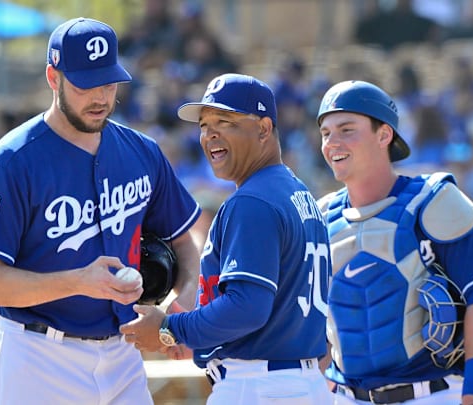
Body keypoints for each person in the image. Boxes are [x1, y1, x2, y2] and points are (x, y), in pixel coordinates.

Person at [0, 17, 201, 405]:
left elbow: (186, 245)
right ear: (54, 78)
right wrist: (79, 281)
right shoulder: (9, 163)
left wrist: (183, 304)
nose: (101, 97)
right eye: (86, 84)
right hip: (36, 357)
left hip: (123, 355)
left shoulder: (142, 152)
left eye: (109, 82)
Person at [120, 73, 333, 404]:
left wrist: (170, 328)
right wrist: (198, 335)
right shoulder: (297, 193)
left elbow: (248, 308)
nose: (210, 134)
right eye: (204, 125)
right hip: (299, 383)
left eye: (225, 121)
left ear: (264, 129)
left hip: (259, 387)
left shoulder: (253, 201)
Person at [314, 80, 473, 405]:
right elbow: (315, 318)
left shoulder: (432, 201)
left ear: (384, 135)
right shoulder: (320, 217)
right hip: (347, 397)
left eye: (347, 129)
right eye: (325, 133)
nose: (332, 142)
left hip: (431, 394)